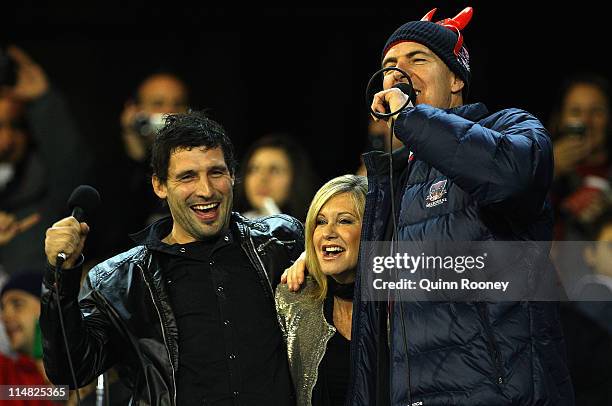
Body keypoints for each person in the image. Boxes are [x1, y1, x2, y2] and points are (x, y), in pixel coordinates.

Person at [286, 6, 573, 405]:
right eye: (389, 65)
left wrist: (411, 118)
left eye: (417, 59)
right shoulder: (392, 180)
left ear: (457, 78)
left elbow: (510, 177)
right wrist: (313, 257)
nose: (398, 73)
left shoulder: (511, 128)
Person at [41, 111, 304, 405]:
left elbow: (362, 298)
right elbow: (70, 372)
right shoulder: (118, 283)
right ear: (160, 185)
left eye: (216, 172)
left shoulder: (282, 242)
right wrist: (60, 276)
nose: (205, 190)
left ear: (232, 175)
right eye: (187, 177)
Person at [276, 174, 367, 406]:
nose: (328, 232)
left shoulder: (405, 301)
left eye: (345, 221)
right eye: (320, 222)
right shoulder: (293, 300)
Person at [0, 46, 91, 275]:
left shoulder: (43, 188)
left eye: (16, 126)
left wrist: (43, 102)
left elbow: (72, 167)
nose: (7, 138)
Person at [549, 73, 611, 240]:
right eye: (576, 112)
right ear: (560, 120)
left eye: (596, 111)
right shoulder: (541, 169)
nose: (586, 122)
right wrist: (547, 170)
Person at [0, 272, 55, 406]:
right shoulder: (6, 373)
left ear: (48, 307)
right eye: (2, 308)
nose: (4, 317)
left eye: (17, 304)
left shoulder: (81, 365)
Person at [235, 134, 318, 222]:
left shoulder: (312, 231)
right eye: (254, 169)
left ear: (295, 178)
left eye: (274, 170)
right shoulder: (232, 227)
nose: (262, 178)